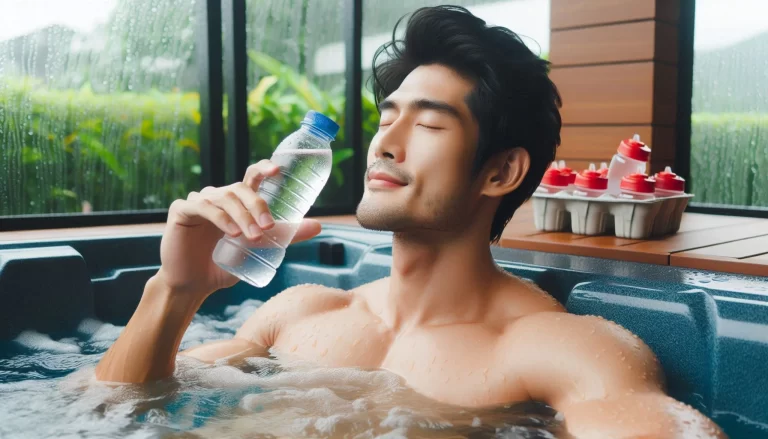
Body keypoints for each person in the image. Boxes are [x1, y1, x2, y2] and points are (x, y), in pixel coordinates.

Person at [96, 6, 726, 438]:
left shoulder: (554, 348)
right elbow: (108, 408)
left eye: (426, 124)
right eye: (385, 118)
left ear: (501, 172)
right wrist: (174, 291)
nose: (385, 144)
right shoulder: (300, 311)